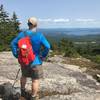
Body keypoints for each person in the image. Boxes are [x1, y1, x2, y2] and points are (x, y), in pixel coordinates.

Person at [11, 17, 50, 100]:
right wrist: (43, 56)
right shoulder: (39, 35)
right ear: (36, 24)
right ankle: (33, 96)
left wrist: (16, 55)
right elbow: (47, 46)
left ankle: (22, 91)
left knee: (24, 76)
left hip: (24, 60)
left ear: (28, 24)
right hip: (36, 61)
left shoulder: (22, 34)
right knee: (35, 80)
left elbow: (13, 43)